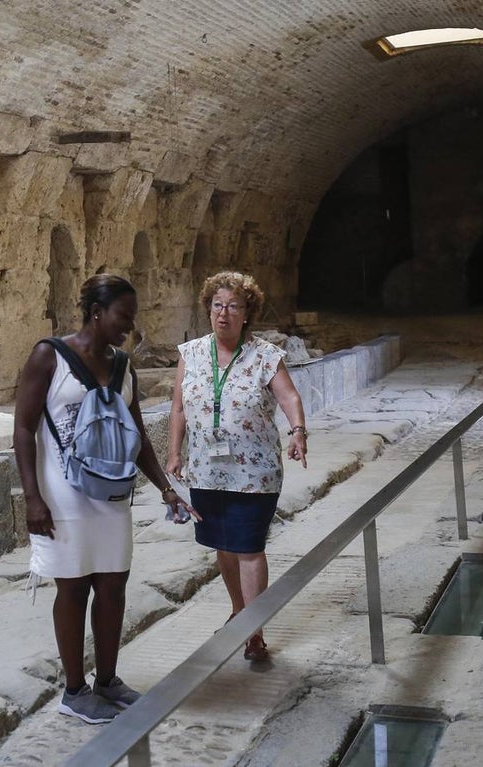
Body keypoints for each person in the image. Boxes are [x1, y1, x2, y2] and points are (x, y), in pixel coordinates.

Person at [13, 274, 192, 724]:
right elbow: (22, 429)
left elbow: (137, 437)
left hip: (112, 491)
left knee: (112, 586)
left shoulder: (122, 365)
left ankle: (107, 681)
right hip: (63, 496)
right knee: (72, 588)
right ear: (97, 312)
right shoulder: (48, 356)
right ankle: (74, 691)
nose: (129, 327)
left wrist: (165, 488)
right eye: (123, 316)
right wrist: (32, 498)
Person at [166, 271, 308, 663]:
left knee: (248, 547)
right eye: (217, 306)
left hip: (254, 471)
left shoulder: (265, 355)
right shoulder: (191, 353)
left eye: (233, 306)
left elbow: (289, 397)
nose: (223, 314)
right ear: (208, 310)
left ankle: (255, 630)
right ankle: (239, 610)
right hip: (206, 470)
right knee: (223, 546)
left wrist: (298, 431)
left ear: (247, 313)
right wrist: (174, 453)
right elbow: (177, 407)